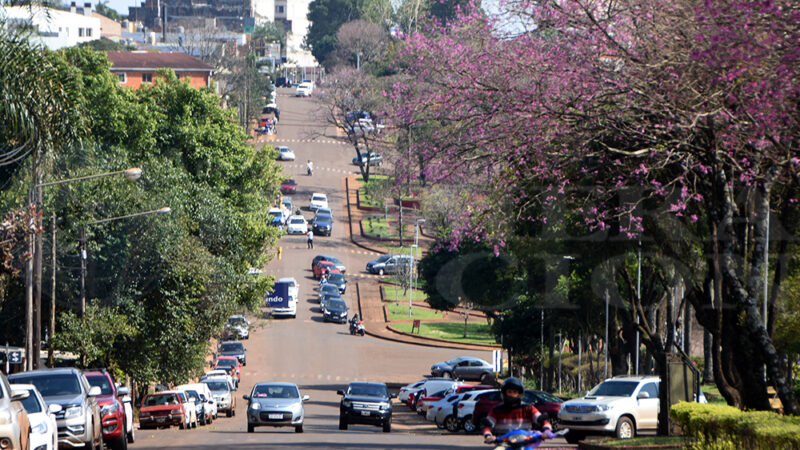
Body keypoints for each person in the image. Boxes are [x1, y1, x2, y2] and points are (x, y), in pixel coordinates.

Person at [482, 378, 553, 447]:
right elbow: (488, 425)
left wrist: (547, 430)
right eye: (509, 392)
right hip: (504, 444)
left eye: (514, 392)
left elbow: (541, 420)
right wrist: (488, 436)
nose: (512, 394)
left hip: (525, 442)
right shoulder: (496, 410)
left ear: (520, 394)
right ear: (504, 393)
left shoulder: (528, 408)